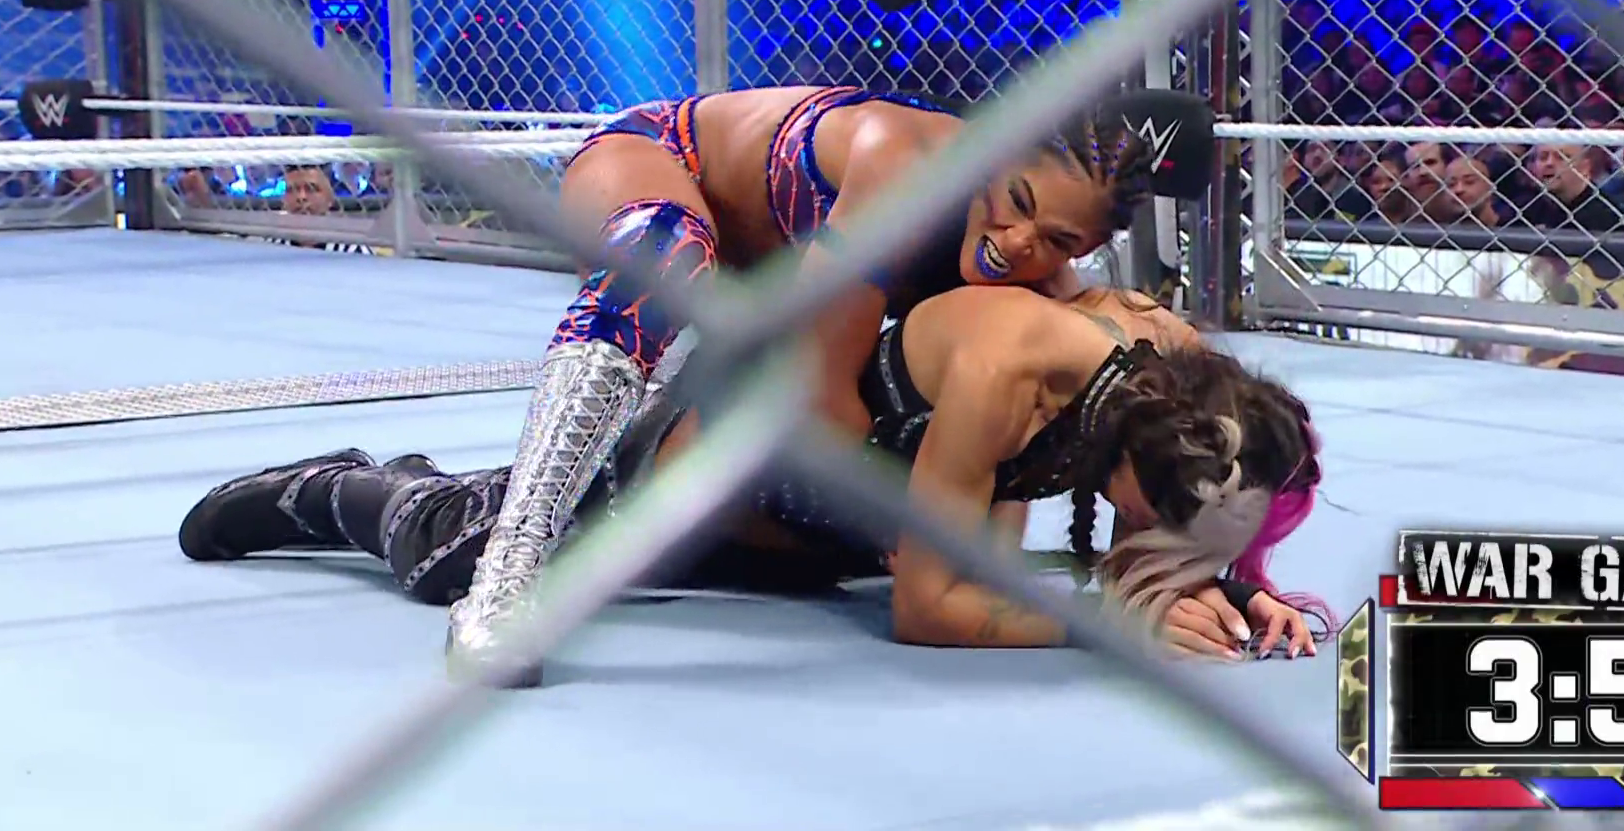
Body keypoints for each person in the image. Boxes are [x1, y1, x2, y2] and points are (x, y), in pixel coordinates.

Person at [436, 83, 1212, 671]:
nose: (1016, 242)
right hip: (659, 163)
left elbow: (1025, 441)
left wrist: (1187, 580)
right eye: (1016, 202)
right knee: (662, 259)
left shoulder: (1050, 287)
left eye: (1057, 239)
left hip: (771, 303)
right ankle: (506, 576)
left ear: (1087, 248)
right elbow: (821, 390)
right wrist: (916, 540)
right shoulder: (907, 166)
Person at [179, 283, 1330, 674]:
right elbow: (930, 610)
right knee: (453, 554)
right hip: (709, 464)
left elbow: (1214, 489)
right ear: (1133, 464)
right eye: (1160, 526)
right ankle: (338, 483)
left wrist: (1239, 587)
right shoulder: (1010, 365)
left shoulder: (1180, 386)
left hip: (817, 537)